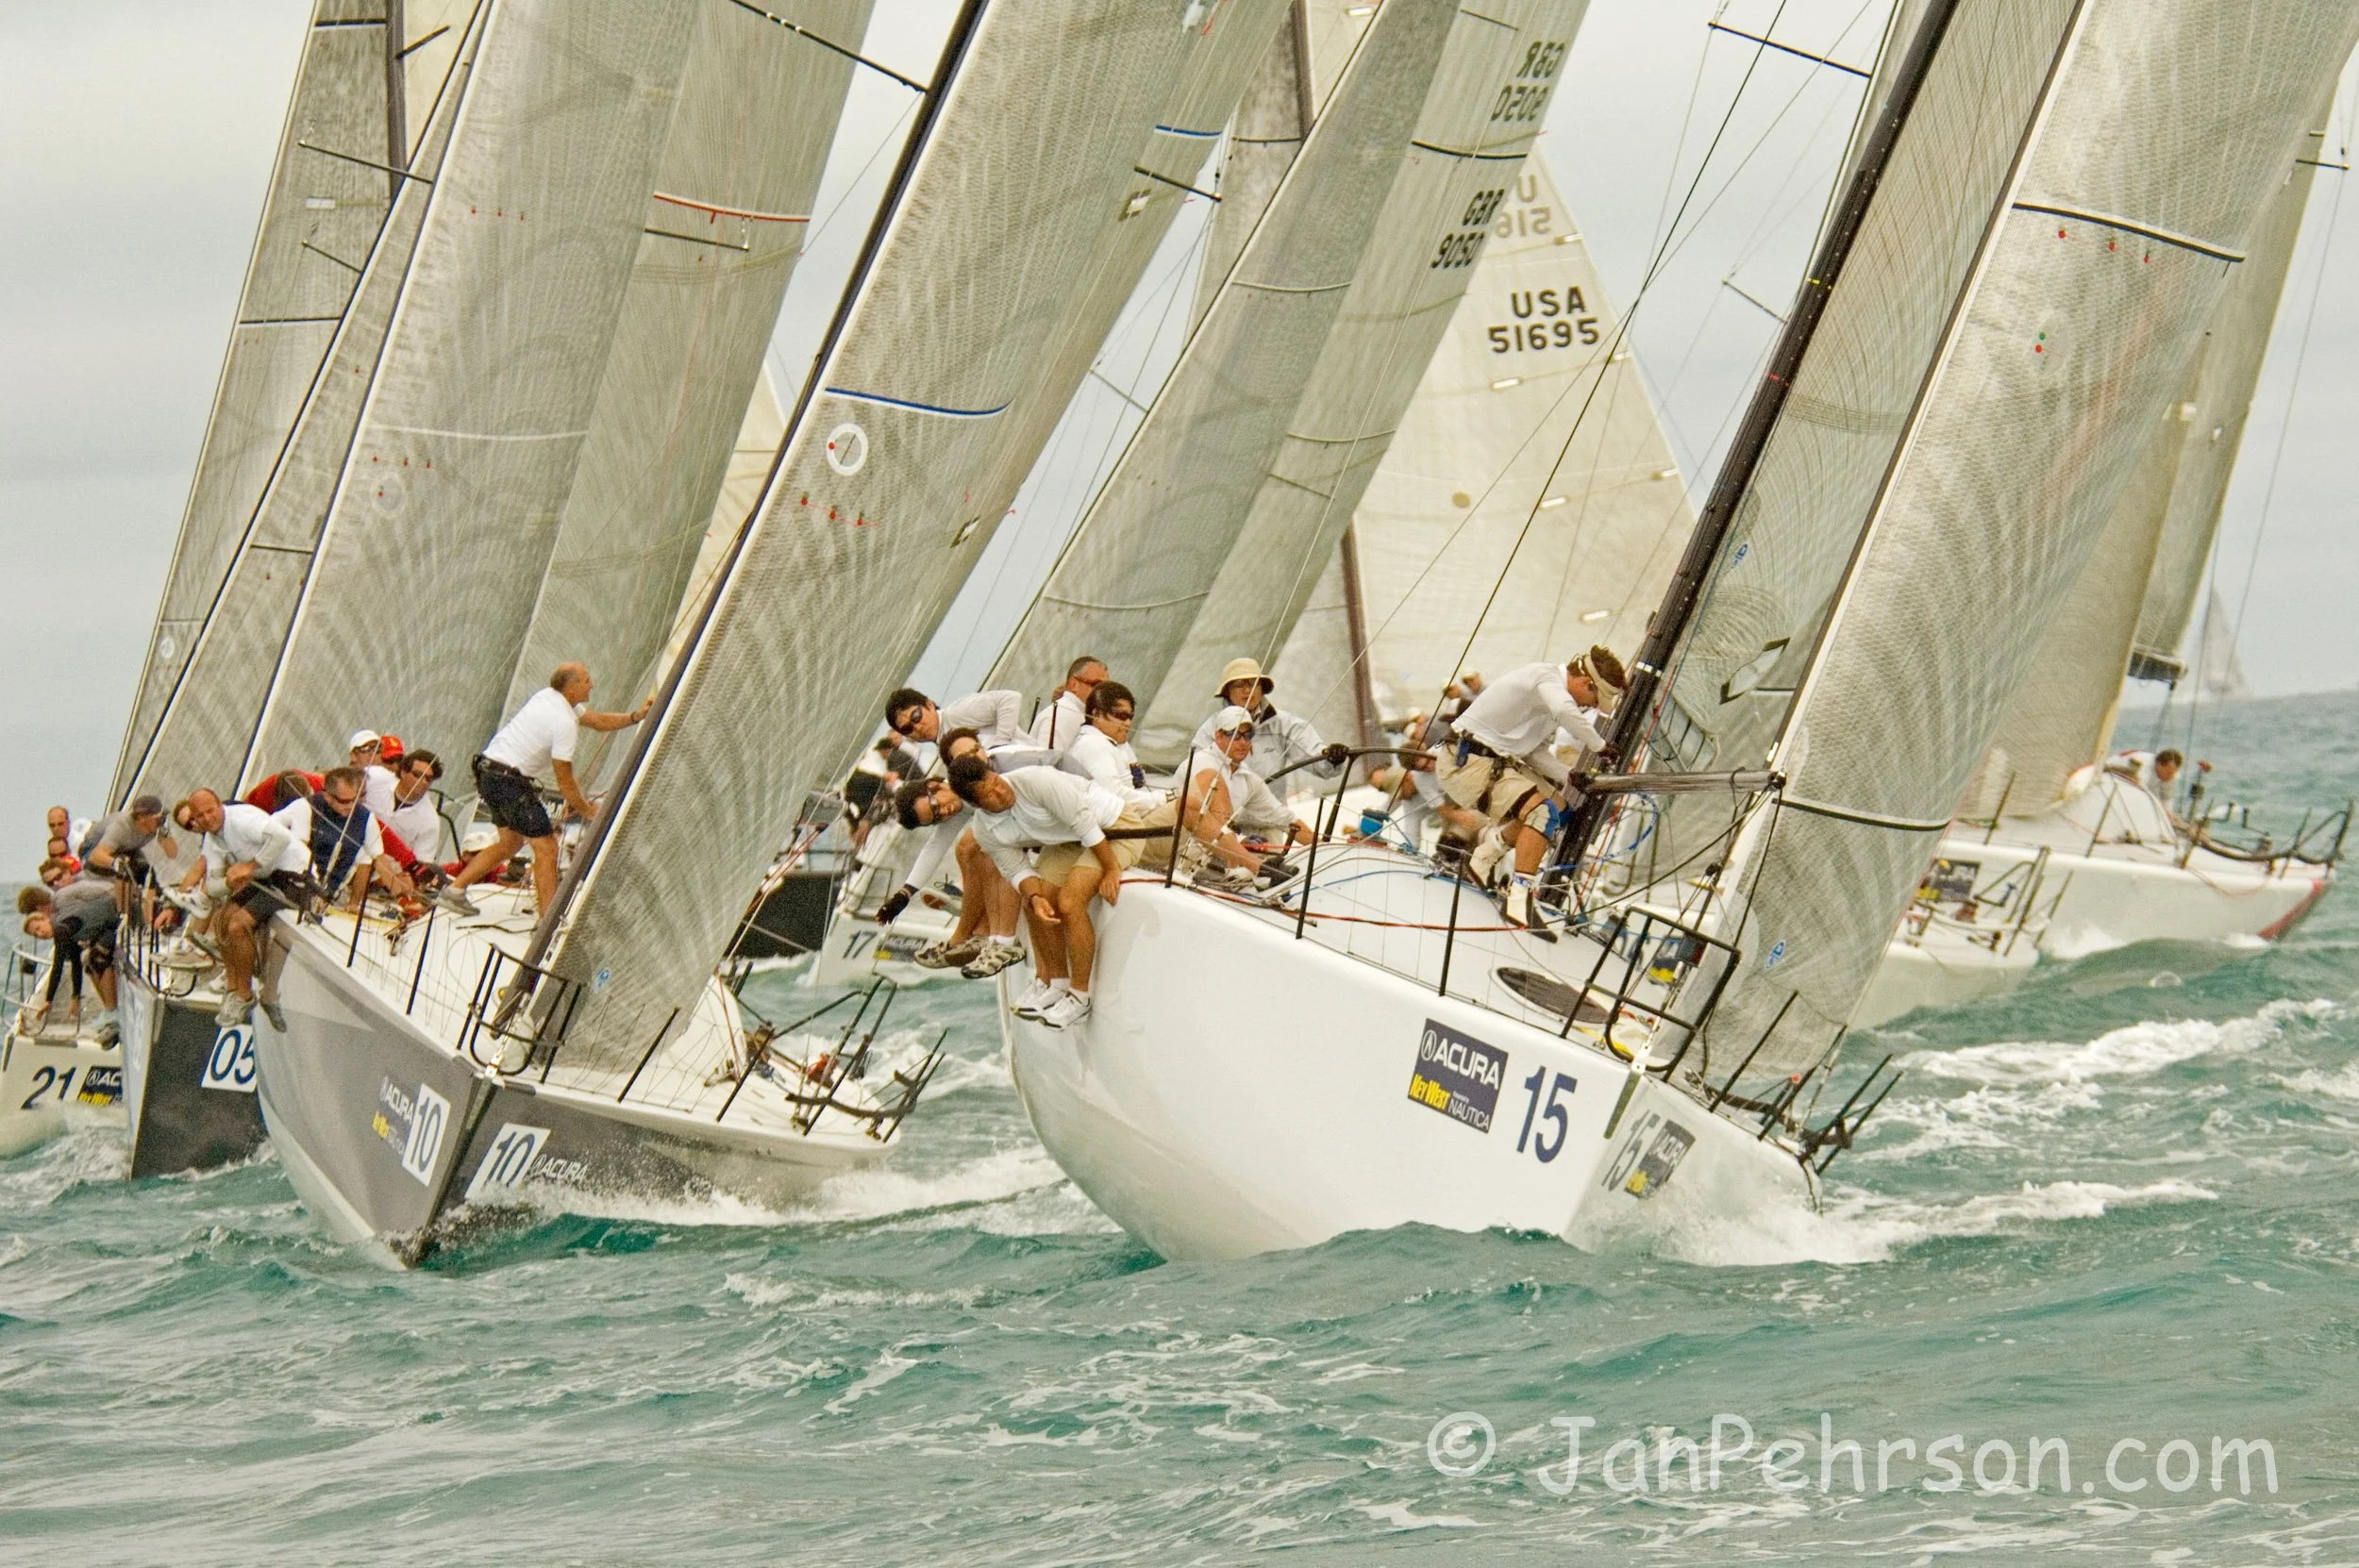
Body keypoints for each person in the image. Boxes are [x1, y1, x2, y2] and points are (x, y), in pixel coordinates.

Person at [1437, 648, 1626, 931]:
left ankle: (1485, 856)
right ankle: (1519, 898)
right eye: (1594, 699)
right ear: (1586, 683)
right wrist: (1600, 746)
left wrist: (1569, 775)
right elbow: (1565, 710)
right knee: (1541, 813)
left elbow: (1534, 753)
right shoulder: (1544, 677)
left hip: (1492, 762)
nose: (1590, 707)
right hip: (1466, 762)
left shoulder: (1550, 701)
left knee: (1559, 809)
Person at [444, 662, 651, 916]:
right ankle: (546, 923)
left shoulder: (548, 697)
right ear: (572, 686)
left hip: (488, 772)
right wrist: (586, 810)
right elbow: (564, 780)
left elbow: (596, 721)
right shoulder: (563, 722)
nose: (592, 685)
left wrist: (636, 717)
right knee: (547, 848)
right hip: (508, 779)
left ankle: (454, 890)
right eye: (587, 680)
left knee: (510, 843)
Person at [948, 754, 1129, 1029]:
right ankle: (1056, 983)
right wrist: (1036, 897)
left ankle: (1080, 998)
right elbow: (1017, 870)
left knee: (1069, 903)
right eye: (989, 794)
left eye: (996, 781)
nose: (1000, 791)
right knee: (1033, 904)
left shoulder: (1036, 780)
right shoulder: (983, 829)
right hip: (1070, 841)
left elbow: (1087, 826)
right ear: (976, 805)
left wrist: (1112, 869)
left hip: (1114, 826)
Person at [185, 787, 312, 1026]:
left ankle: (244, 995)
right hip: (266, 877)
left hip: (295, 875)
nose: (206, 818)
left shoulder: (241, 819)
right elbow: (213, 886)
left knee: (237, 925)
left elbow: (281, 837)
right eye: (199, 816)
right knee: (222, 920)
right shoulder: (212, 839)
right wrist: (227, 881)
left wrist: (250, 866)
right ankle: (233, 989)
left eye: (210, 811)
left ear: (220, 806)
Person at [1187, 658, 1351, 792]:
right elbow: (1194, 775)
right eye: (1239, 685)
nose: (1247, 690)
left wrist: (1332, 758)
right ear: (1227, 692)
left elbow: (1318, 762)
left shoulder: (1285, 725)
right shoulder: (1210, 730)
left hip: (1271, 821)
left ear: (1262, 688)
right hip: (1223, 822)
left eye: (1253, 683)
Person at [274, 767, 421, 912]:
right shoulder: (306, 807)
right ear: (328, 796)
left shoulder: (366, 819)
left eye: (354, 800)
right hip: (292, 886)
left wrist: (403, 896)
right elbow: (299, 851)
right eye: (344, 802)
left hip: (328, 897)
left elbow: (379, 860)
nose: (351, 806)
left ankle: (352, 905)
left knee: (365, 854)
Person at [17, 874, 123, 1041]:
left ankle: (113, 1013)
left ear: (40, 912)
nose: (40, 934)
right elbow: (75, 960)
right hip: (104, 921)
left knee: (98, 958)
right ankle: (109, 1011)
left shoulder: (61, 921)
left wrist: (49, 1000)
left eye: (38, 927)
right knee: (88, 961)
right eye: (35, 934)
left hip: (114, 916)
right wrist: (75, 997)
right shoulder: (61, 916)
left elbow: (58, 964)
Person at [884, 686, 1031, 757]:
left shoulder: (956, 713)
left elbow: (1010, 699)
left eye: (916, 717)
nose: (917, 727)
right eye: (907, 729)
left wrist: (1000, 745)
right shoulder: (942, 747)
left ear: (929, 705)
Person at [1026, 656, 1107, 753]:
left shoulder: (1076, 713)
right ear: (1074, 685)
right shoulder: (1063, 713)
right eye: (1097, 685)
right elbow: (1046, 760)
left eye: (1106, 688)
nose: (1103, 693)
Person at [84, 794, 165, 880]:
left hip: (124, 848)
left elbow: (172, 854)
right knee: (123, 873)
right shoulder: (120, 827)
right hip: (94, 848)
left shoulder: (154, 828)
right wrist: (117, 864)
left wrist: (165, 833)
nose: (160, 822)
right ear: (141, 818)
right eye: (157, 819)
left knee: (144, 869)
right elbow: (95, 855)